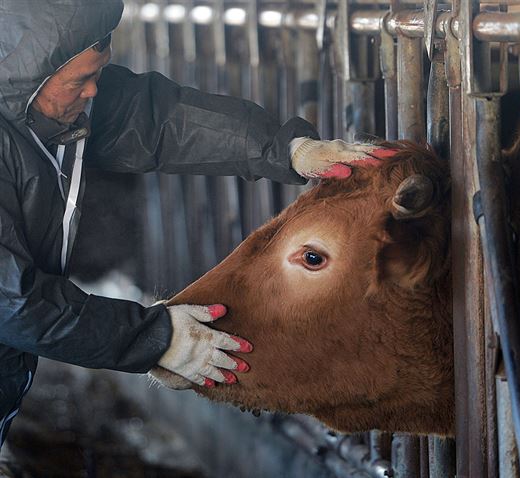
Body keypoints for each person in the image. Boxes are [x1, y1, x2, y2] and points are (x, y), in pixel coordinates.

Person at [0, 0, 387, 454]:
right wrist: (157, 338)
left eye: (97, 73)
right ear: (23, 79)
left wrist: (289, 150)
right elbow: (12, 302)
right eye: (78, 81)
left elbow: (157, 120)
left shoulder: (44, 109)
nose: (92, 92)